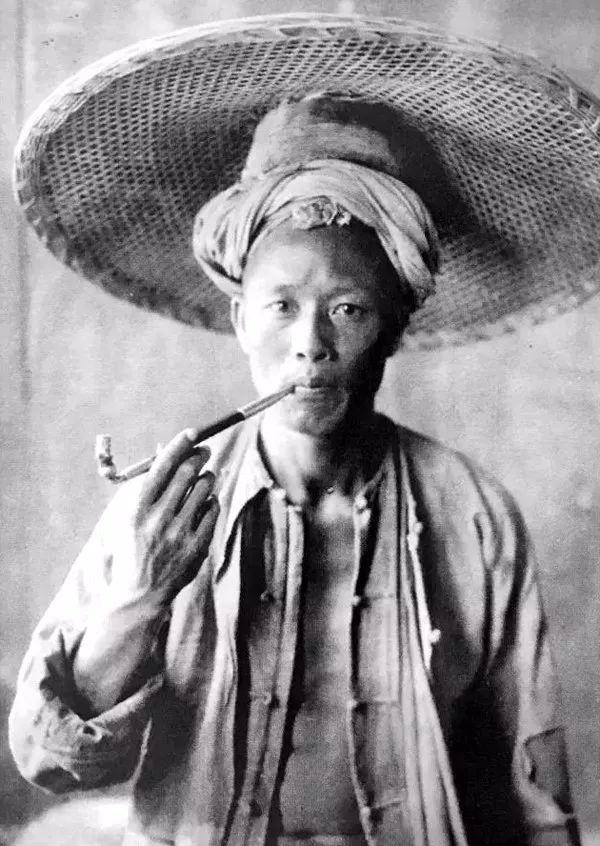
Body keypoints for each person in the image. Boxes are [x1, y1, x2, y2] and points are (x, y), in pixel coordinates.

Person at [9, 15, 595, 846]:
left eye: (348, 309)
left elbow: (534, 805)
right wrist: (142, 595)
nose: (309, 344)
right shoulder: (160, 510)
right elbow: (51, 760)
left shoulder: (473, 514)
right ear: (240, 319)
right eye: (281, 306)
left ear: (394, 327)